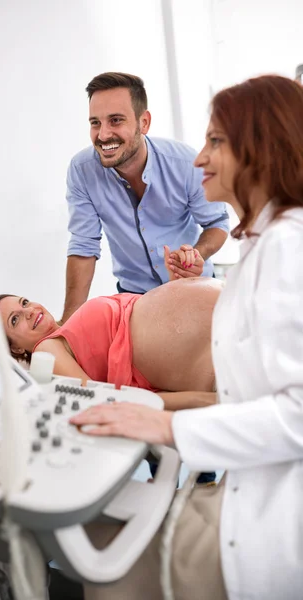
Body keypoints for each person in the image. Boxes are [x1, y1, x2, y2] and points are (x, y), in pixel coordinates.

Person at [70, 74, 303, 600]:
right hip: (245, 481)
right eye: (94, 122)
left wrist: (163, 422)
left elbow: (293, 412)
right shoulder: (267, 243)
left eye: (216, 141)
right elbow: (82, 244)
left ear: (263, 152)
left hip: (269, 518)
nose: (199, 158)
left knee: (104, 559)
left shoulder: (286, 247)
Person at [61, 72, 230, 323]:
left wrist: (197, 254)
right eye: (95, 122)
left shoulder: (185, 163)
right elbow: (83, 246)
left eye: (115, 120)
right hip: (135, 302)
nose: (103, 134)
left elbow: (217, 223)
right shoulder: (82, 170)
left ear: (144, 122)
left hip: (196, 289)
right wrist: (68, 324)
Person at [0, 258, 223, 411]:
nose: (29, 311)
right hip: (214, 343)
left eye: (24, 302)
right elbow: (106, 400)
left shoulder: (69, 329)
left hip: (219, 321)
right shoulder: (46, 351)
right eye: (15, 319)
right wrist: (204, 401)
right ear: (15, 349)